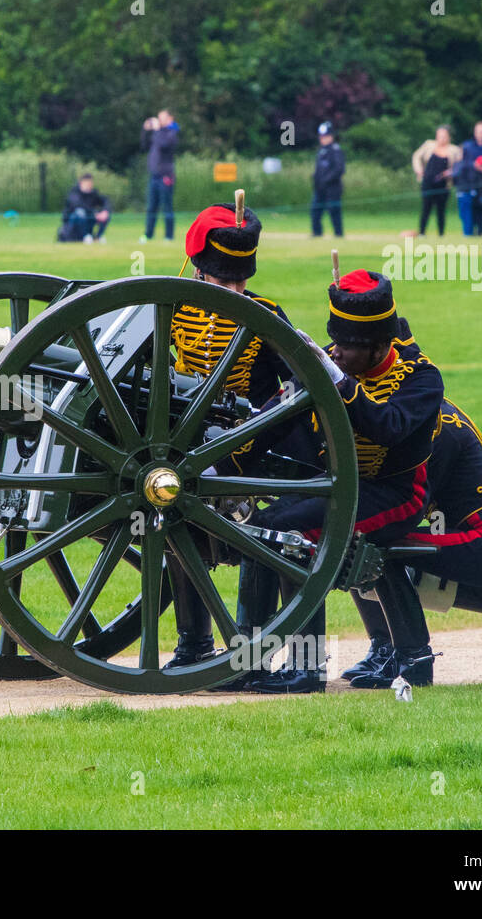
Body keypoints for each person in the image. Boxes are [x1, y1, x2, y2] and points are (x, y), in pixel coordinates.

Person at [234, 271, 443, 694]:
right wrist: (226, 462)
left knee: (292, 536)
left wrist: (340, 384)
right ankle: (248, 661)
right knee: (261, 529)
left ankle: (308, 669)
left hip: (395, 493)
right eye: (337, 343)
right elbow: (278, 416)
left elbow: (389, 428)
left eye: (349, 346)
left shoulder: (422, 378)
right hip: (339, 488)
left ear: (380, 346)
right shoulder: (334, 362)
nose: (339, 353)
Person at [164, 201, 293, 668]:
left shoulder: (267, 314)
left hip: (250, 442)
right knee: (172, 514)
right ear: (201, 272)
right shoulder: (172, 305)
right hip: (184, 439)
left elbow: (300, 384)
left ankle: (243, 650)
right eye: (225, 282)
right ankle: (193, 643)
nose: (236, 291)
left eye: (242, 281)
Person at [345, 392, 482, 689]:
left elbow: (402, 509)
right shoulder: (425, 411)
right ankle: (384, 651)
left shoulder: (441, 427)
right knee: (368, 537)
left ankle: (414, 661)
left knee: (378, 543)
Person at [411, 125, 462, 236]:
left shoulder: (454, 150)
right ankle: (422, 232)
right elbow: (416, 156)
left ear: (449, 137)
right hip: (428, 181)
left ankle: (441, 233)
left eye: (444, 136)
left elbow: (459, 166)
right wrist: (419, 170)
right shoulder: (428, 145)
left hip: (443, 183)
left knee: (441, 209)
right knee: (426, 207)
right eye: (440, 136)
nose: (442, 138)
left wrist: (450, 173)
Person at [140, 109, 178, 241]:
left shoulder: (171, 133)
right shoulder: (157, 134)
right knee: (151, 207)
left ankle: (169, 236)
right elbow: (144, 146)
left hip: (166, 176)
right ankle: (148, 234)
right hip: (154, 176)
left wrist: (156, 130)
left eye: (161, 118)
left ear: (169, 119)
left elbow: (164, 145)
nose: (159, 120)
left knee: (166, 206)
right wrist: (145, 130)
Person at [310, 121, 345, 237]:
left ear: (331, 136)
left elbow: (339, 169)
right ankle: (317, 233)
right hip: (319, 188)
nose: (323, 139)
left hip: (332, 188)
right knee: (315, 210)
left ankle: (338, 233)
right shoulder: (321, 151)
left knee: (334, 211)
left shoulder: (335, 150)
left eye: (325, 136)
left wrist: (327, 180)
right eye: (321, 136)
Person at [58, 173, 111, 243]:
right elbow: (77, 205)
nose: (89, 185)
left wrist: (105, 211)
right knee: (80, 212)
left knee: (105, 216)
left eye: (90, 183)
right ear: (81, 183)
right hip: (72, 221)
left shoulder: (93, 193)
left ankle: (98, 237)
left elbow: (105, 201)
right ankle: (86, 236)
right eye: (87, 183)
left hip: (89, 218)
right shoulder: (74, 192)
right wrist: (94, 213)